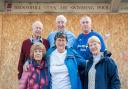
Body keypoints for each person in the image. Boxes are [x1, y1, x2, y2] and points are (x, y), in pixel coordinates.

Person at [73, 16, 106, 86]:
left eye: (87, 22)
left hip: (94, 69)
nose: (85, 24)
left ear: (90, 24)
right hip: (81, 70)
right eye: (83, 22)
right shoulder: (79, 37)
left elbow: (103, 52)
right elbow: (74, 53)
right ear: (80, 25)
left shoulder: (97, 36)